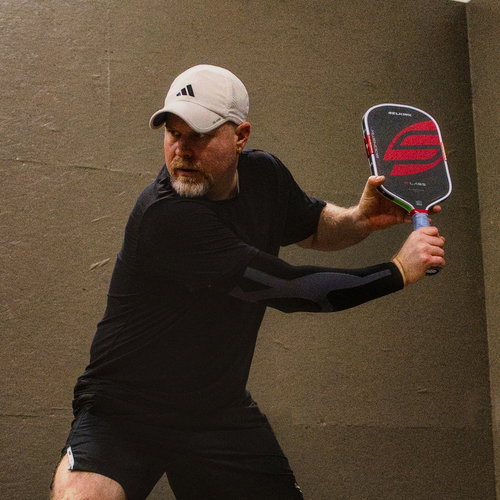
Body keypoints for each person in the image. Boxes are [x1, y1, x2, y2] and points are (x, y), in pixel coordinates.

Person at [50, 64, 445, 500]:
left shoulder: (264, 176)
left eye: (199, 135)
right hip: (125, 409)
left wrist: (360, 218)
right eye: (173, 134)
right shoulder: (167, 215)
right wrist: (397, 270)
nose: (182, 150)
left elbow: (316, 228)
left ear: (240, 136)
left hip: (216, 410)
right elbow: (291, 289)